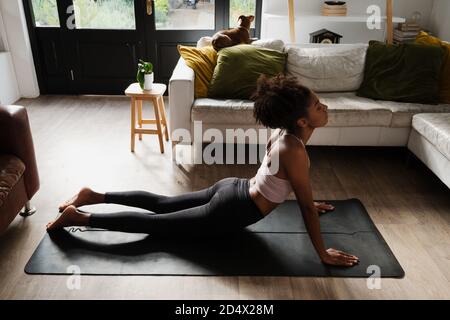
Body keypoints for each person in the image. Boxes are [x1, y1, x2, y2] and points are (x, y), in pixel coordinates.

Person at [47, 74, 359, 267]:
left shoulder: (285, 134)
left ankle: (94, 195)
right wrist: (323, 253)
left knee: (161, 204)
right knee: (157, 225)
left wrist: (308, 201)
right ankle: (80, 217)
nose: (325, 108)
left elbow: (276, 178)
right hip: (234, 208)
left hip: (232, 188)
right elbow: (303, 203)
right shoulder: (294, 149)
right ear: (302, 121)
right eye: (319, 106)